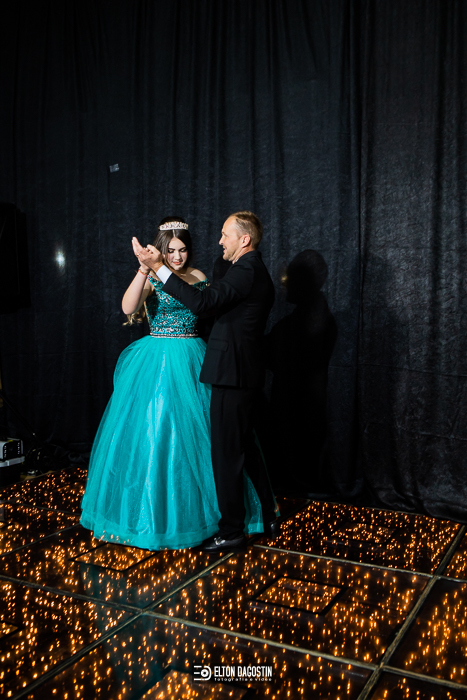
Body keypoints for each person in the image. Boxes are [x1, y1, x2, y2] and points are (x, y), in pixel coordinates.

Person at [80, 217, 265, 550]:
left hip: (195, 358)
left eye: (183, 250)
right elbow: (127, 307)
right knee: (157, 435)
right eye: (171, 251)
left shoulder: (200, 277)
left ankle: (209, 518)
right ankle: (157, 517)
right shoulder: (153, 276)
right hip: (157, 361)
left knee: (203, 440)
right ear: (161, 251)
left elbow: (209, 309)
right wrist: (143, 269)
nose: (177, 257)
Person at [135, 211, 280, 553]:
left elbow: (203, 304)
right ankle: (266, 513)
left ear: (244, 239)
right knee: (244, 446)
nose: (220, 241)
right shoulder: (246, 269)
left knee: (227, 453)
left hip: (234, 373)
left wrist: (159, 268)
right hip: (240, 371)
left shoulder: (246, 270)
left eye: (225, 235)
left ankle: (232, 531)